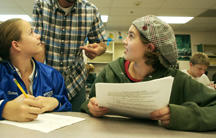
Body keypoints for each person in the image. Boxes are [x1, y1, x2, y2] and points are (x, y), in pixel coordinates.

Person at [81, 15, 216, 131]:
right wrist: (91, 107)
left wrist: (180, 115)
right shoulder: (110, 72)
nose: (124, 41)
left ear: (149, 48)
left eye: (131, 36)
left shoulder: (176, 80)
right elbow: (88, 103)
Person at [32, 0, 106, 111]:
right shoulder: (42, 4)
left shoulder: (90, 10)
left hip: (76, 82)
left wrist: (97, 50)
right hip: (47, 80)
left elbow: (101, 44)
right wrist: (40, 78)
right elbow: (38, 45)